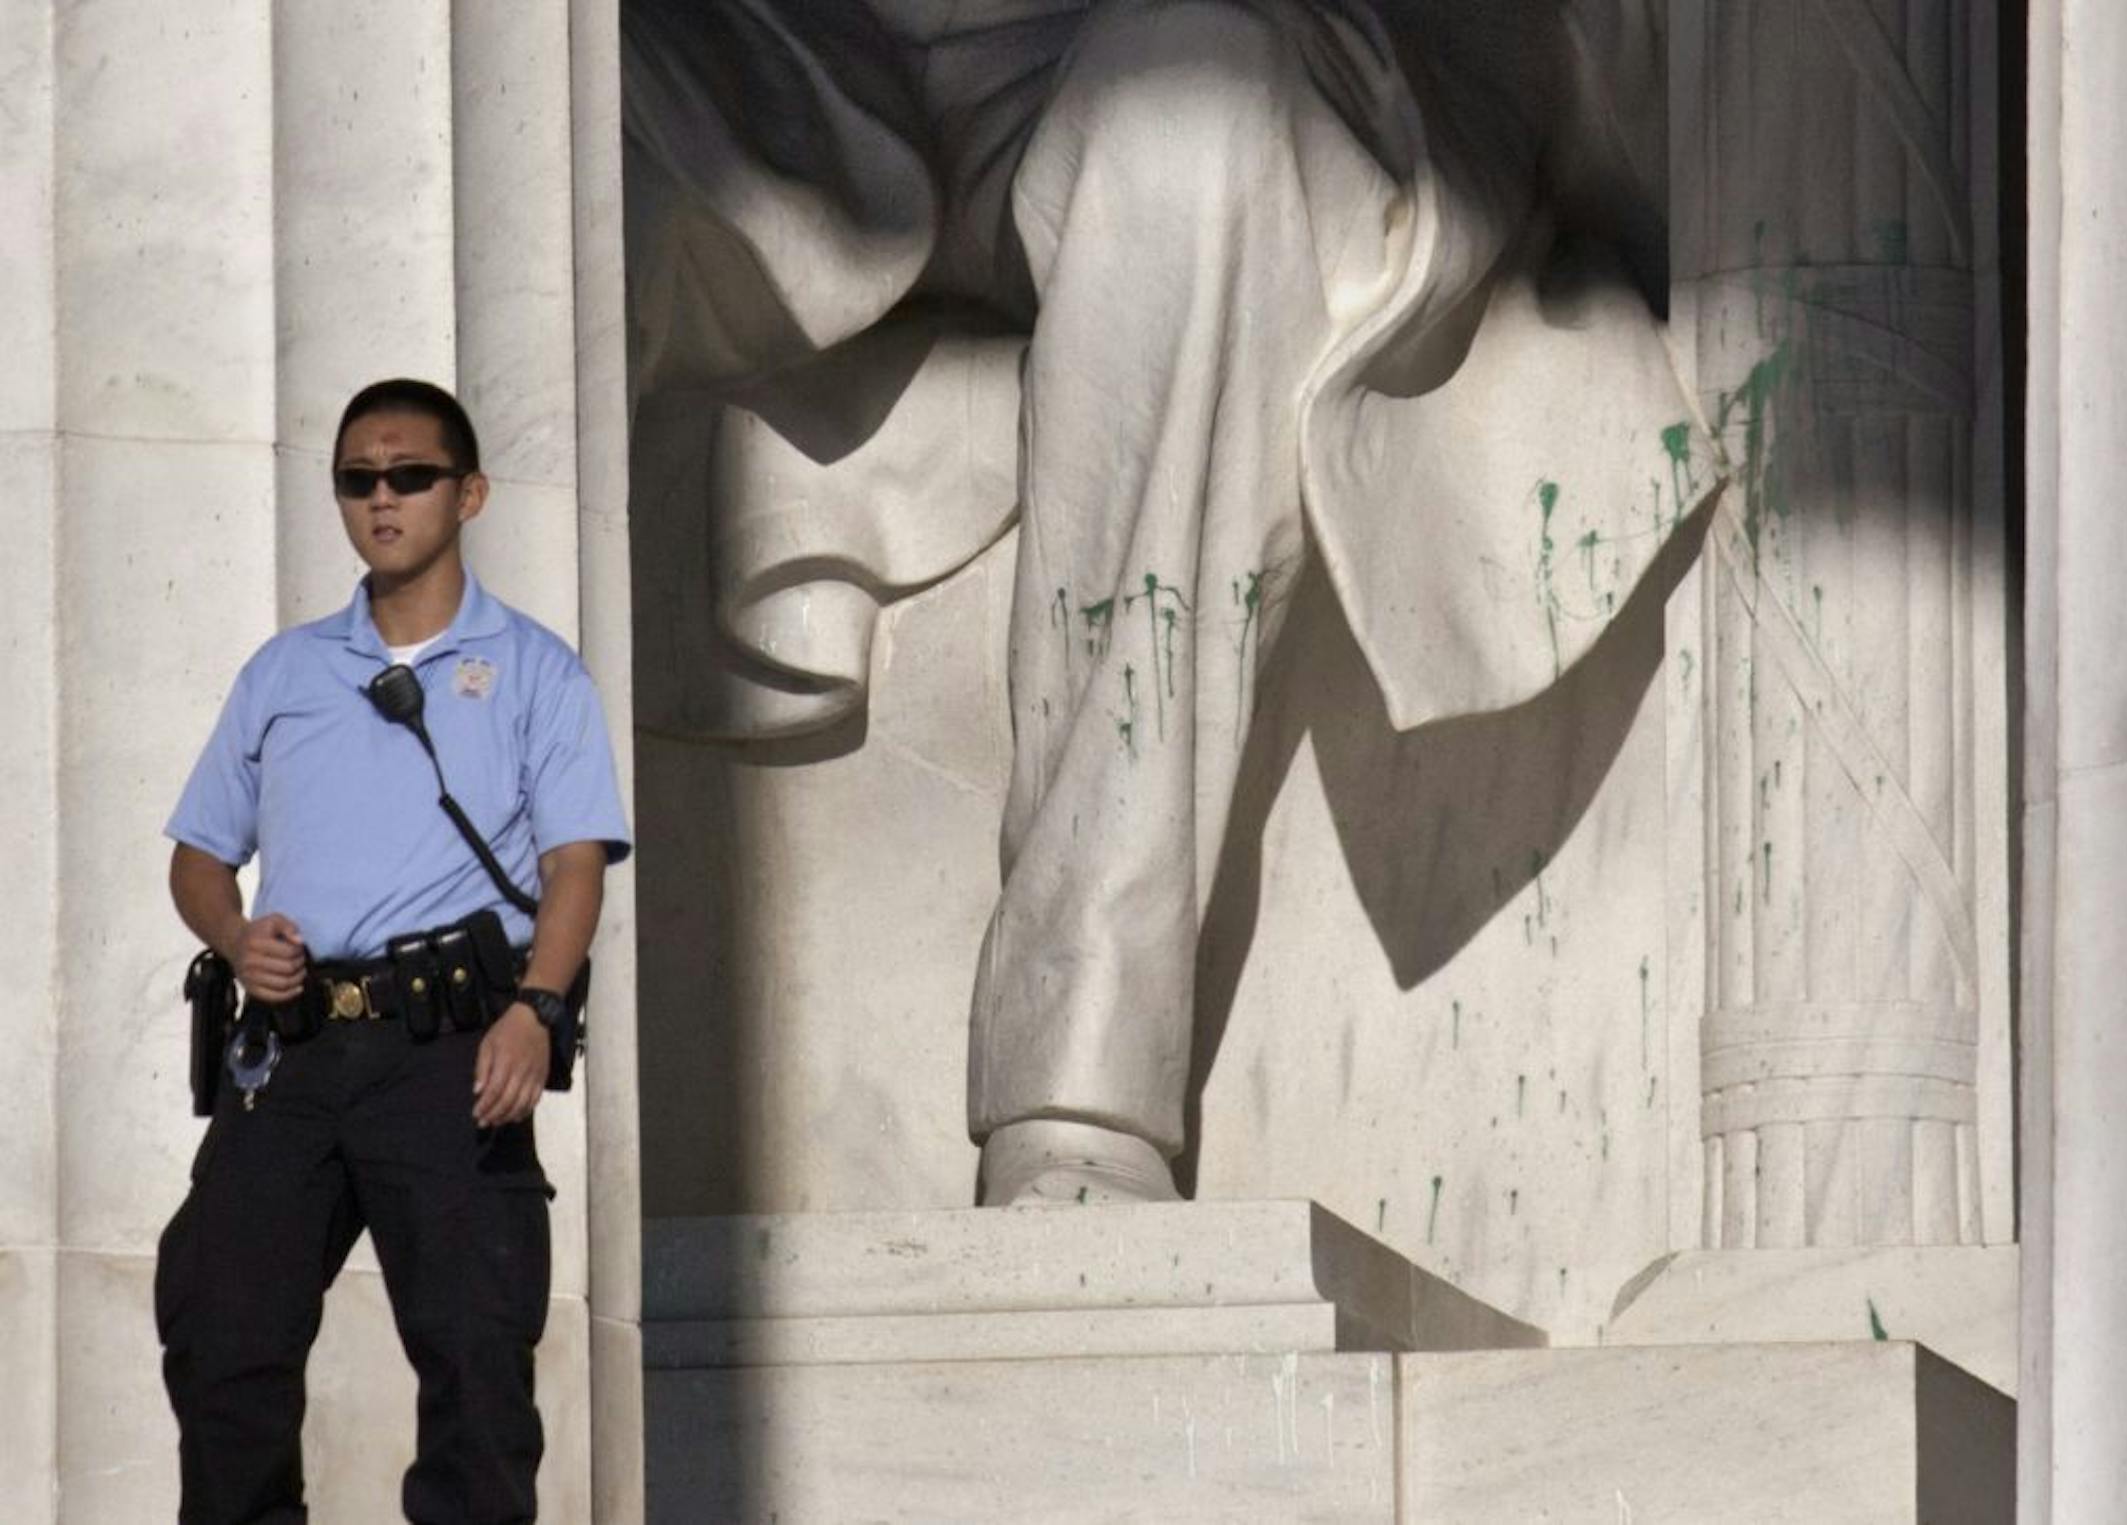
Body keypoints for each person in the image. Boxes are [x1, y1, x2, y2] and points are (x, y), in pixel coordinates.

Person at [624, 0, 1712, 1205]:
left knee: (1185, 116)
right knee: (505, 110)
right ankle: (446, 1118)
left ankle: (1079, 1082)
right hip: (804, 51)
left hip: (1244, 48)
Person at [155, 379, 632, 1524]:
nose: (382, 499)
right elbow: (197, 856)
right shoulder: (285, 671)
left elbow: (576, 866)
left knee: (474, 1364)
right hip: (294, 1048)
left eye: (409, 475)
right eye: (357, 479)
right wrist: (236, 933)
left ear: (466, 493)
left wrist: (538, 1008)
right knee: (223, 1336)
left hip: (454, 1047)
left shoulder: (534, 669)